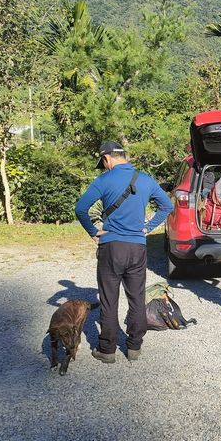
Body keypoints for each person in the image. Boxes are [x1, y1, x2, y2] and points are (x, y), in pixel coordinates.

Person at [75, 141, 173, 363]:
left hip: (111, 247)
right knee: (136, 298)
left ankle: (107, 350)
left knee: (109, 300)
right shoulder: (146, 179)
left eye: (103, 163)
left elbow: (80, 208)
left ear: (107, 158)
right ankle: (134, 347)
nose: (104, 166)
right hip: (137, 247)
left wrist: (92, 231)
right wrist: (148, 227)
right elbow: (167, 206)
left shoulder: (104, 179)